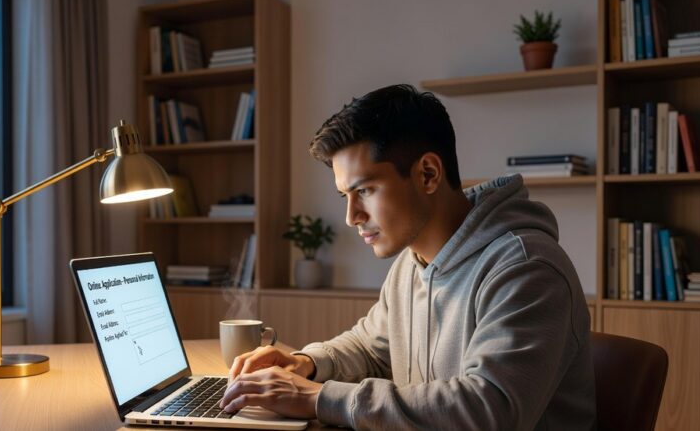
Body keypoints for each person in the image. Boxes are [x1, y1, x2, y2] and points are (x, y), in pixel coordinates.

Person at [219, 84, 596, 430]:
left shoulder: (526, 267)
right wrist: (307, 363)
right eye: (344, 196)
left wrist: (315, 397)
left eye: (364, 190)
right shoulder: (412, 263)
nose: (352, 217)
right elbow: (370, 347)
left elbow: (488, 410)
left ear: (428, 174)